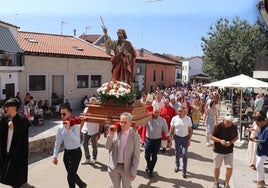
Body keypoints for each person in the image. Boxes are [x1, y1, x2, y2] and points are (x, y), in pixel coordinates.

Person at [52, 106, 87, 188]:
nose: (62, 116)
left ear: (70, 114)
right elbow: (58, 142)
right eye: (61, 114)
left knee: (70, 176)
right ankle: (82, 185)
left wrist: (68, 130)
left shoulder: (75, 126)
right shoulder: (60, 127)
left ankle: (81, 185)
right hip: (67, 154)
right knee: (72, 174)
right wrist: (55, 156)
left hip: (76, 153)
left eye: (64, 114)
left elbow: (77, 140)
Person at [0, 98, 31, 188]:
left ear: (14, 108)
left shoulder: (22, 120)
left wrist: (14, 127)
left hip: (17, 151)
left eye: (7, 107)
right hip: (6, 149)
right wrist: (7, 125)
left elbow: (24, 136)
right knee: (7, 173)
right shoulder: (5, 118)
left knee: (15, 175)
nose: (6, 109)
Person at [105, 112, 140, 188]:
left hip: (126, 168)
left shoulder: (135, 137)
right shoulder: (115, 132)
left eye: (125, 122)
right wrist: (110, 135)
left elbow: (136, 156)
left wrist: (133, 172)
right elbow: (107, 147)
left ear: (130, 123)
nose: (122, 124)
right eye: (121, 122)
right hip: (114, 167)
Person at [210, 114, 238, 188]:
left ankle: (227, 183)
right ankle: (216, 182)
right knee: (217, 167)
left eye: (230, 122)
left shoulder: (234, 126)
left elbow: (236, 137)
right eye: (227, 121)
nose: (229, 123)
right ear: (223, 120)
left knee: (229, 167)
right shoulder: (218, 126)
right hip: (218, 150)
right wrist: (220, 141)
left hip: (229, 150)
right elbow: (211, 136)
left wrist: (231, 142)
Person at [143, 106, 170, 178]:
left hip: (157, 141)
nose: (156, 114)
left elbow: (166, 131)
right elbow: (142, 125)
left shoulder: (163, 120)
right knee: (146, 155)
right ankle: (148, 165)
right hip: (148, 140)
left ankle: (151, 170)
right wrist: (143, 118)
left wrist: (169, 140)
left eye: (157, 113)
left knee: (154, 156)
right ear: (153, 112)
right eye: (155, 112)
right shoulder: (148, 119)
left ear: (160, 113)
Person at [170, 106, 193, 179]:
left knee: (184, 154)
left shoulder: (188, 119)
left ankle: (184, 170)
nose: (179, 113)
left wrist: (189, 139)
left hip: (185, 139)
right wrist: (170, 138)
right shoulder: (174, 118)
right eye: (178, 111)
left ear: (184, 111)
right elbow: (172, 128)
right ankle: (177, 165)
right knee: (177, 152)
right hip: (177, 138)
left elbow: (190, 130)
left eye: (180, 111)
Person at [249, 110, 268, 188]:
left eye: (258, 123)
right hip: (259, 149)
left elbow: (266, 141)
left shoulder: (267, 129)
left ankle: (260, 181)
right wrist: (254, 137)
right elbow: (259, 136)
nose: (258, 125)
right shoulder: (261, 127)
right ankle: (261, 179)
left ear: (262, 121)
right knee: (259, 165)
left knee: (258, 165)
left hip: (264, 150)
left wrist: (256, 140)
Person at [81, 97, 102, 165]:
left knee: (94, 145)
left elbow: (101, 122)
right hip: (86, 129)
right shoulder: (86, 109)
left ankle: (94, 158)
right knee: (84, 143)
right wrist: (80, 129)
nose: (92, 103)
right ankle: (87, 158)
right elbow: (83, 119)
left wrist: (99, 133)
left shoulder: (99, 110)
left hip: (94, 130)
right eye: (91, 101)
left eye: (93, 102)